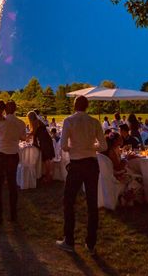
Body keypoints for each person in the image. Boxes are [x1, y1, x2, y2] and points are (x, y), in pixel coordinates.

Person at [56, 95, 107, 255]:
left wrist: (76, 147)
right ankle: (90, 244)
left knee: (69, 201)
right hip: (92, 164)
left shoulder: (69, 121)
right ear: (87, 107)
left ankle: (69, 240)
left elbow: (63, 146)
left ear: (74, 106)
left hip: (77, 164)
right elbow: (104, 146)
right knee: (92, 204)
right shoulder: (94, 122)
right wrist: (91, 146)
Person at [0, 100, 25, 223]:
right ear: (15, 110)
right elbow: (23, 137)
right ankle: (13, 215)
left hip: (0, 156)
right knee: (12, 185)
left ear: (5, 109)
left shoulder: (0, 122)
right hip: (13, 156)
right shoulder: (20, 123)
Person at [101, 132, 143, 206]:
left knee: (135, 173)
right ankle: (125, 198)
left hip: (114, 173)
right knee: (139, 179)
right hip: (117, 175)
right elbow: (118, 167)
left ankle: (127, 197)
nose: (122, 139)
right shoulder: (111, 151)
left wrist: (124, 155)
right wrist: (126, 159)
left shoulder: (114, 148)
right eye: (120, 139)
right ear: (115, 141)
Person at [28, 111, 55, 182]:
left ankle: (48, 177)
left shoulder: (35, 122)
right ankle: (49, 175)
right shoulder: (39, 121)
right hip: (47, 140)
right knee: (49, 158)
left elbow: (34, 133)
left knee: (46, 159)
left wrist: (27, 136)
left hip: (44, 141)